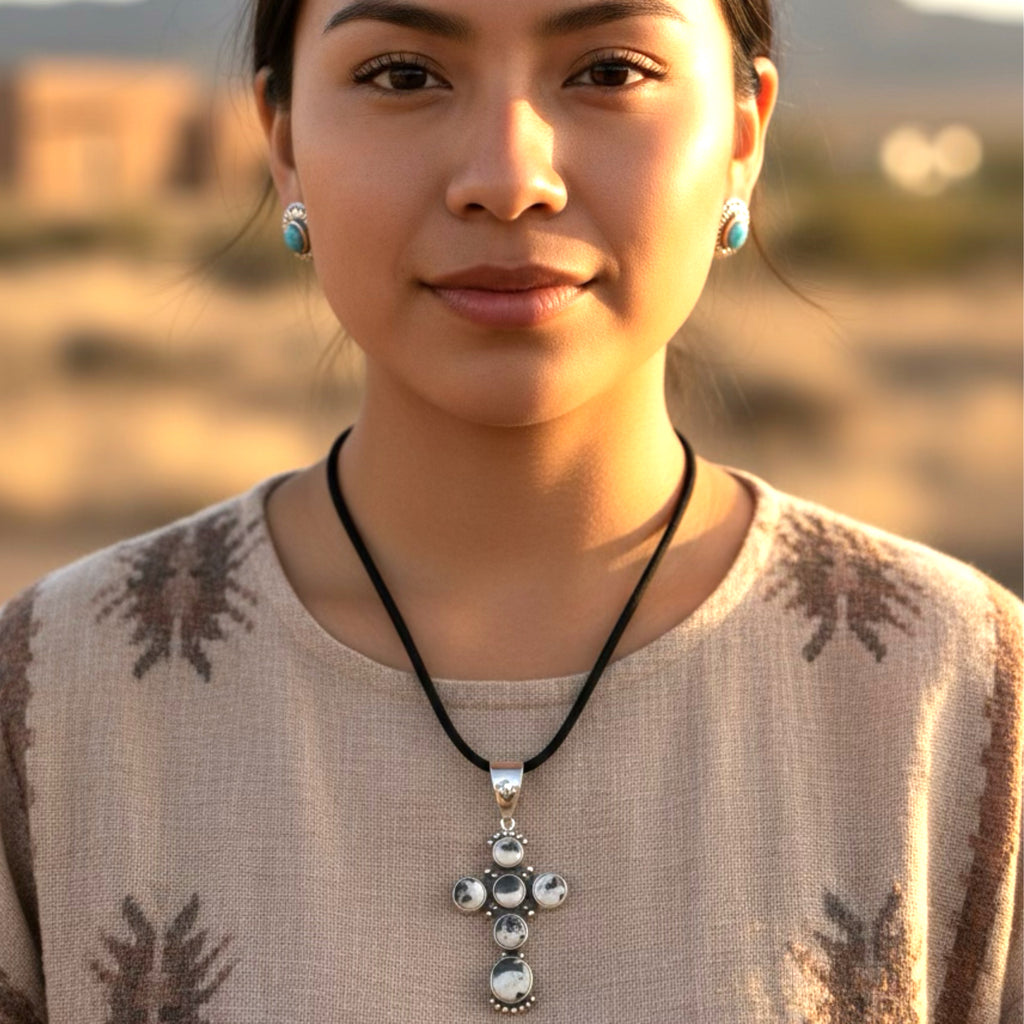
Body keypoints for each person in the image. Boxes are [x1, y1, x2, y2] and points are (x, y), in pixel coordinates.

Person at [0, 0, 1019, 1020]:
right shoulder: (46, 707)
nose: (508, 178)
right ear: (285, 145)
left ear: (743, 137)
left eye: (611, 71)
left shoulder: (967, 702)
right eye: (402, 75)